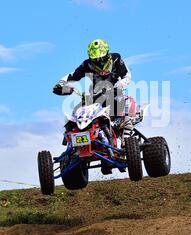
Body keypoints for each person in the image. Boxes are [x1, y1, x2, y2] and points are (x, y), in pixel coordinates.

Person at [53, 39, 134, 174]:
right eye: (95, 60)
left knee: (126, 107)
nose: (99, 63)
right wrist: (61, 83)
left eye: (101, 59)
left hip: (115, 93)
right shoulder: (87, 64)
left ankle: (127, 143)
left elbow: (127, 75)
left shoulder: (116, 59)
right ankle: (70, 142)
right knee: (76, 113)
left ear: (106, 54)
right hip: (94, 97)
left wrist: (120, 84)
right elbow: (72, 75)